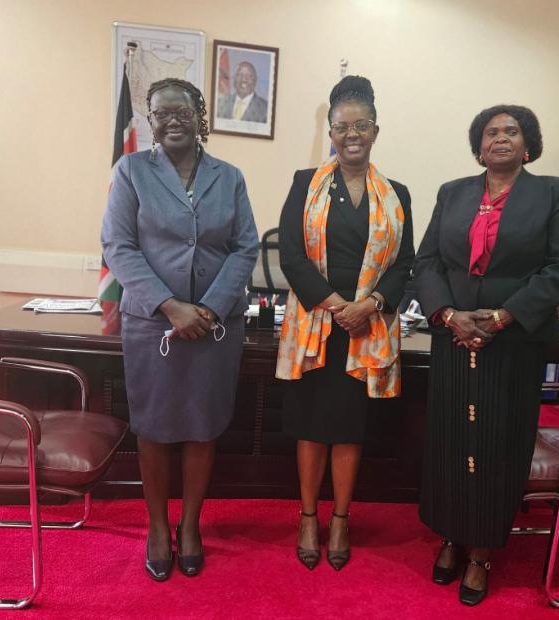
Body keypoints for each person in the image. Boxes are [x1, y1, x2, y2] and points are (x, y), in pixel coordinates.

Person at [414, 104, 559, 605]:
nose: (501, 138)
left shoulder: (553, 193)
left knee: (497, 444)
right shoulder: (454, 193)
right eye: (492, 132)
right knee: (449, 439)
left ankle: (483, 551)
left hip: (514, 343)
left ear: (528, 143)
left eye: (512, 131)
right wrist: (447, 314)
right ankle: (450, 536)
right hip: (453, 336)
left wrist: (502, 317)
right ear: (479, 145)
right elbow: (427, 262)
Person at [101, 78, 258, 581]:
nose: (171, 120)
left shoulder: (229, 177)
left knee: (202, 427)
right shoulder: (131, 171)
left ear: (199, 115)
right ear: (150, 120)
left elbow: (245, 247)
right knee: (153, 429)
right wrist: (171, 306)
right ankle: (156, 527)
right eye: (161, 113)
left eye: (181, 111)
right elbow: (118, 246)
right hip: (154, 326)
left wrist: (208, 308)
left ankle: (190, 525)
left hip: (215, 327)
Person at [276, 76, 415, 571]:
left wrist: (371, 304)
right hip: (318, 327)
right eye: (341, 127)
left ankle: (341, 517)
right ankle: (308, 515)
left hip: (366, 330)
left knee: (350, 429)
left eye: (361, 125)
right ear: (330, 134)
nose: (351, 134)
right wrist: (339, 305)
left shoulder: (397, 194)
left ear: (375, 130)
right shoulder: (303, 183)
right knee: (312, 428)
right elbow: (290, 256)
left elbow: (405, 263)